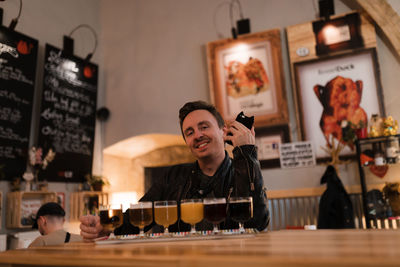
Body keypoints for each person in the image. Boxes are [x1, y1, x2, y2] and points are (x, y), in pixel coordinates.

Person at [80, 100, 269, 240]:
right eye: (190, 132)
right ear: (187, 142)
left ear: (223, 131)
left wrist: (246, 154)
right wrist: (106, 226)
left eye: (204, 127)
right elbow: (140, 215)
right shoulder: (174, 176)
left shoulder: (242, 170)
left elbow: (256, 224)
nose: (198, 135)